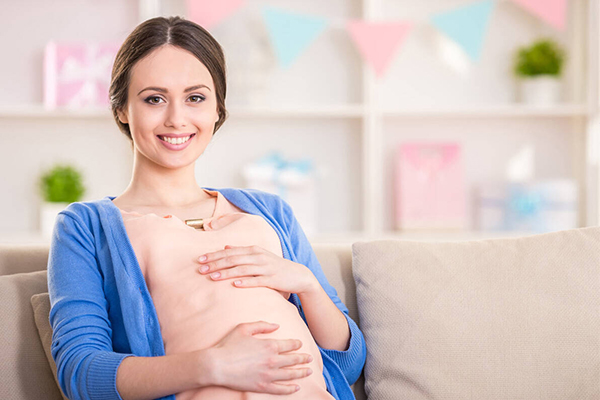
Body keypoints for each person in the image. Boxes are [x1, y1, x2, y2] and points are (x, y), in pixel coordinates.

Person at [47, 15, 366, 400]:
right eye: (154, 99)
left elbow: (347, 365)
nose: (177, 118)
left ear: (218, 109)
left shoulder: (270, 212)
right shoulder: (86, 226)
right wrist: (213, 364)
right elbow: (80, 373)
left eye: (195, 98)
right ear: (122, 109)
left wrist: (306, 284)